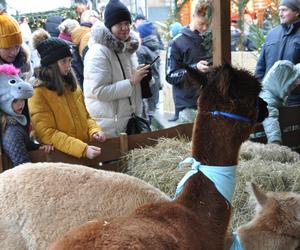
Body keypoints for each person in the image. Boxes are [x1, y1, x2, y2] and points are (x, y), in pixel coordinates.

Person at [29, 29, 106, 159]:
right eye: (63, 61)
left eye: (70, 60)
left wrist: (94, 131)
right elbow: (47, 133)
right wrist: (82, 149)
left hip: (84, 153)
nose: (68, 65)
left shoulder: (72, 86)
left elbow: (86, 117)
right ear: (51, 64)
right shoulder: (38, 91)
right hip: (61, 159)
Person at [83, 0, 149, 137]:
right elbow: (99, 91)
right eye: (119, 24)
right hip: (109, 128)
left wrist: (143, 76)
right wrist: (131, 81)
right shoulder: (98, 52)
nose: (125, 28)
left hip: (129, 123)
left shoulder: (127, 47)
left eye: (127, 23)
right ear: (109, 26)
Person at [165, 0, 212, 121]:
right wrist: (195, 68)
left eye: (208, 24)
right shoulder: (176, 42)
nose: (205, 28)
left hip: (209, 101)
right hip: (187, 105)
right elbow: (170, 76)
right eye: (201, 23)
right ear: (193, 16)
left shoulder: (210, 39)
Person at [0, 64, 53, 167]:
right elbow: (23, 166)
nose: (21, 105)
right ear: (3, 101)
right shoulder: (11, 131)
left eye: (23, 99)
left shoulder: (14, 121)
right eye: (15, 101)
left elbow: (25, 145)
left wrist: (38, 147)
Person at [255, 0, 300, 105]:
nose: (280, 14)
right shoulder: (272, 34)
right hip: (268, 98)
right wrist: (257, 89)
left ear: (297, 12)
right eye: (279, 10)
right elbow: (261, 66)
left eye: (284, 10)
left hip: (295, 99)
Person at [0, 11, 32, 130]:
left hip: (24, 117)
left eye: (17, 46)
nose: (13, 52)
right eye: (7, 48)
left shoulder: (24, 62)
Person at [260, 60, 300, 144]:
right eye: (292, 84)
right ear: (281, 83)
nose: (295, 85)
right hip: (264, 141)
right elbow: (270, 118)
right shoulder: (267, 99)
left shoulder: (277, 94)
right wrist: (275, 141)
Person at [136, 21, 161, 122]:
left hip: (147, 90)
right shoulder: (154, 46)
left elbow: (140, 74)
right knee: (151, 115)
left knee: (146, 119)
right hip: (154, 87)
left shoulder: (141, 50)